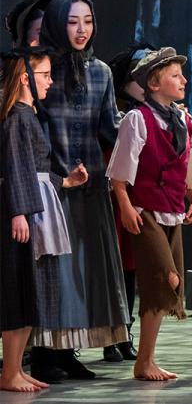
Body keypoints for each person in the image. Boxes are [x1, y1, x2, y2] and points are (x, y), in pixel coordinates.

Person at [32, 0, 129, 382]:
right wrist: (54, 174)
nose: (81, 30)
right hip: (52, 186)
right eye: (73, 22)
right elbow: (33, 124)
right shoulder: (42, 68)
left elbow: (111, 125)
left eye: (87, 21)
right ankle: (44, 354)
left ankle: (68, 352)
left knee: (82, 272)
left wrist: (145, 127)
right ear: (58, 24)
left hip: (90, 186)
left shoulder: (101, 71)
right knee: (54, 271)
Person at [107, 48, 192, 380]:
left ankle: (145, 360)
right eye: (175, 76)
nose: (183, 80)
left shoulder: (183, 120)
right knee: (165, 278)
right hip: (145, 208)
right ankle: (144, 360)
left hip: (172, 208)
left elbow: (187, 160)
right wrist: (124, 204)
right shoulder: (137, 119)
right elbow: (120, 172)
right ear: (155, 84)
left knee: (165, 288)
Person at [1, 47, 85, 393]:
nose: (50, 81)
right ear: (25, 78)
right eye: (45, 75)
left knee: (32, 291)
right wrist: (18, 211)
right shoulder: (16, 117)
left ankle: (15, 370)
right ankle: (9, 371)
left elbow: (35, 169)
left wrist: (65, 181)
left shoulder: (29, 115)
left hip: (35, 207)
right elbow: (15, 166)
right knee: (19, 289)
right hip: (23, 211)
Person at [101, 43, 157, 363]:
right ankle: (111, 336)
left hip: (139, 197)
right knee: (113, 267)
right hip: (112, 195)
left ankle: (124, 333)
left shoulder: (154, 112)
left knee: (130, 269)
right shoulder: (114, 112)